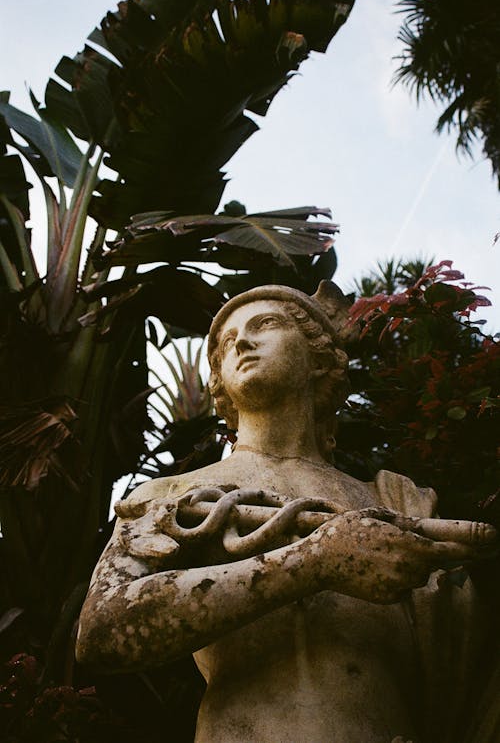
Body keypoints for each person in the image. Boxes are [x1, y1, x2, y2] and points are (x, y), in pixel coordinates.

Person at [76, 282, 496, 743]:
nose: (242, 342)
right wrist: (312, 563)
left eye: (266, 325)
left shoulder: (394, 500)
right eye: (227, 342)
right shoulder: (173, 493)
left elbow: (467, 674)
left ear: (319, 357)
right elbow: (103, 630)